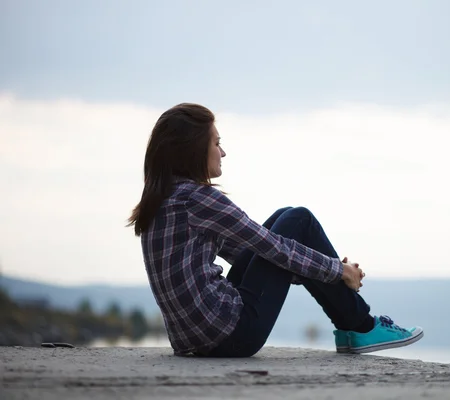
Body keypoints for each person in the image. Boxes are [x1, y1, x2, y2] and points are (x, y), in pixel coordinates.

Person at [127, 103, 424, 357]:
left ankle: (354, 328)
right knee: (298, 220)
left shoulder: (162, 200)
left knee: (287, 221)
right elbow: (269, 246)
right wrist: (339, 271)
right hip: (232, 333)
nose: (223, 152)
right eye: (216, 143)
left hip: (190, 340)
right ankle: (362, 326)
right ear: (193, 150)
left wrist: (319, 268)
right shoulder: (198, 199)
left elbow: (249, 254)